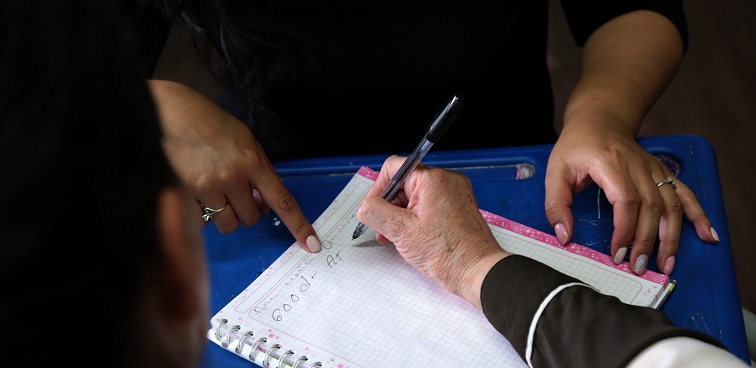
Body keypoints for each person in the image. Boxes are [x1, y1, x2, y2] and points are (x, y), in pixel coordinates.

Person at [0, 1, 755, 368]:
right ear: (177, 263)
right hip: (294, 176)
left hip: (505, 147)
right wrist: (481, 266)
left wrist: (601, 108)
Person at [134, 0, 720, 277]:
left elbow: (635, 8)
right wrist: (149, 103)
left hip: (512, 164)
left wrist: (604, 112)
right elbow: (52, 55)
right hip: (266, 177)